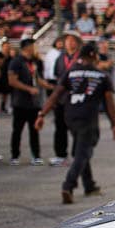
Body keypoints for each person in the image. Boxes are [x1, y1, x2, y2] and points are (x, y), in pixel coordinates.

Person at [36, 43, 115, 205]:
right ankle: (68, 185)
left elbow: (55, 95)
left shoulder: (71, 72)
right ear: (94, 55)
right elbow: (110, 103)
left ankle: (89, 185)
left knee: (81, 149)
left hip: (70, 116)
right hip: (88, 117)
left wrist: (42, 114)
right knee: (83, 153)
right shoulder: (102, 76)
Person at [6, 38, 47, 165]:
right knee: (17, 130)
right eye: (34, 46)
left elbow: (38, 78)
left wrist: (53, 87)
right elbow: (12, 81)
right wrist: (29, 89)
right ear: (27, 47)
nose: (36, 48)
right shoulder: (16, 62)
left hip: (34, 103)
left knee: (34, 130)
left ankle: (36, 155)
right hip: (20, 102)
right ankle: (15, 155)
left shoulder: (34, 62)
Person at [48, 34, 81, 165]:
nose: (70, 43)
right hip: (62, 98)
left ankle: (76, 155)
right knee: (60, 127)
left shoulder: (81, 58)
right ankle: (60, 155)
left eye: (73, 41)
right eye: (68, 41)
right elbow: (57, 76)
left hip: (77, 99)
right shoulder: (60, 58)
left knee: (77, 128)